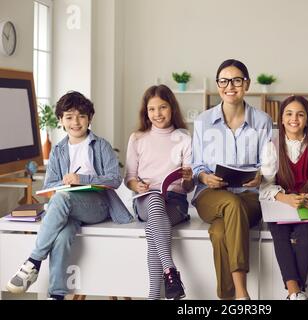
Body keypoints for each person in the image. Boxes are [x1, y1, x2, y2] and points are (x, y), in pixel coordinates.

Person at [6, 91, 133, 300]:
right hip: (69, 209)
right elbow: (50, 185)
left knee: (62, 199)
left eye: (81, 116)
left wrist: (81, 179)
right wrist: (65, 183)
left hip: (97, 206)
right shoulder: (58, 150)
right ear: (61, 121)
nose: (76, 122)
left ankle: (33, 262)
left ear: (90, 118)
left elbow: (114, 179)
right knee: (62, 236)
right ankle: (56, 295)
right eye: (69, 117)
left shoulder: (101, 146)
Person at [192, 59, 272, 300]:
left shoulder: (263, 121)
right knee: (230, 203)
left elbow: (268, 165)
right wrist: (205, 177)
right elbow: (196, 165)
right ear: (218, 86)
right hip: (210, 196)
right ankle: (242, 293)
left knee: (219, 233)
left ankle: (227, 298)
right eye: (224, 81)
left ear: (246, 84)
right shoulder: (203, 121)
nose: (230, 86)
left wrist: (260, 176)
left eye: (237, 80)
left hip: (250, 198)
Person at [125, 84, 193, 300]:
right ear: (146, 112)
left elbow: (189, 188)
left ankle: (153, 296)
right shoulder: (137, 138)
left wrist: (188, 179)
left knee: (153, 230)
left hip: (175, 202)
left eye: (162, 107)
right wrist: (137, 185)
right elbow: (129, 178)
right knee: (154, 199)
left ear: (172, 108)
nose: (157, 114)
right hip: (145, 200)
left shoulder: (184, 138)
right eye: (152, 109)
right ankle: (170, 271)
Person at [260, 95, 308, 300]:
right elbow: (264, 184)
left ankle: (294, 294)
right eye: (289, 114)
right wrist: (284, 197)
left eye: (300, 114)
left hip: (305, 206)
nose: (294, 119)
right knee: (279, 234)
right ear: (282, 118)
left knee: (307, 233)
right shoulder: (272, 146)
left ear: (307, 120)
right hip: (279, 204)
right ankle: (296, 291)